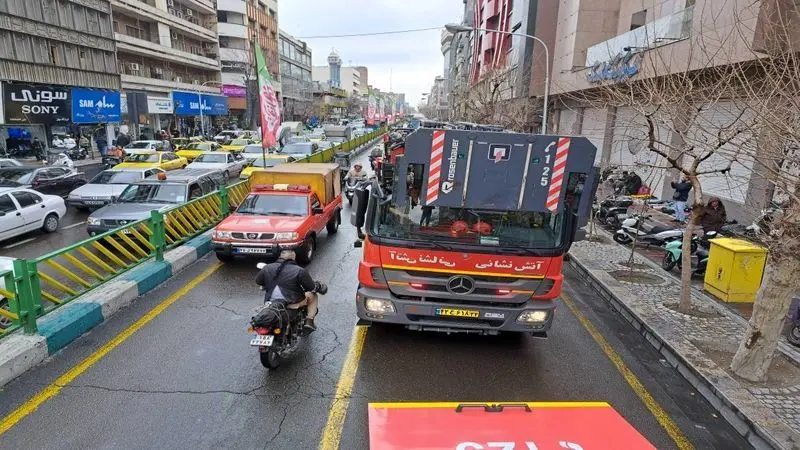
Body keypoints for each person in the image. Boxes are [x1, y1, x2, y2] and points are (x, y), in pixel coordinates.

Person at [255, 249, 320, 334]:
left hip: (271, 302)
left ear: (280, 257)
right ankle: (309, 321)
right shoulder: (299, 270)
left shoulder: (267, 267)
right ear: (294, 258)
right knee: (313, 296)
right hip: (292, 303)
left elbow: (258, 281)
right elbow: (311, 287)